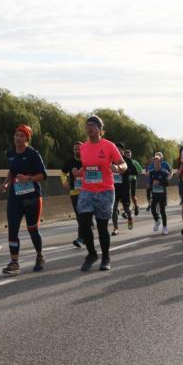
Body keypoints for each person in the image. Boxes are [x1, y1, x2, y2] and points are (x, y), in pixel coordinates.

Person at [73, 115, 126, 271]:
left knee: (102, 227)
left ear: (100, 129)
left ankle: (105, 257)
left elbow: (123, 164)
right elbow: (87, 167)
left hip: (105, 191)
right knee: (83, 222)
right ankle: (91, 254)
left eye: (92, 125)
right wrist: (78, 172)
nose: (89, 127)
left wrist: (118, 168)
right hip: (87, 190)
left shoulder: (109, 146)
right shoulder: (83, 148)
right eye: (87, 125)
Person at [0, 124, 47, 274]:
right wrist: (6, 184)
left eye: (22, 136)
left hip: (32, 198)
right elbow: (12, 172)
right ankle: (14, 263)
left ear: (27, 139)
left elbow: (43, 175)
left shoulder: (33, 154)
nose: (18, 138)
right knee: (12, 229)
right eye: (17, 135)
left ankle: (39, 256)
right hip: (15, 197)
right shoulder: (10, 154)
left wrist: (28, 178)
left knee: (32, 229)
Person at [60, 141, 85, 247]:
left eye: (79, 149)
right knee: (79, 215)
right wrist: (64, 182)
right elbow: (63, 173)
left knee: (84, 215)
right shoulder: (69, 162)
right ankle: (82, 237)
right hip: (74, 192)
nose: (77, 151)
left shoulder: (88, 160)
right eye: (75, 149)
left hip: (88, 192)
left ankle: (81, 237)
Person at [111, 143, 133, 235]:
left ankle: (129, 217)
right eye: (116, 149)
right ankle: (115, 228)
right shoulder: (111, 159)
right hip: (114, 187)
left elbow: (134, 171)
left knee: (126, 208)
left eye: (120, 149)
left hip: (124, 187)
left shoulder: (127, 160)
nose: (118, 151)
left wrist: (123, 171)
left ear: (123, 151)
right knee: (113, 208)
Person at [147, 152, 172, 234]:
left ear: (160, 163)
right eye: (155, 162)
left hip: (162, 195)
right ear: (153, 163)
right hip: (154, 194)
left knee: (162, 211)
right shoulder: (151, 172)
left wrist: (159, 182)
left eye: (158, 162)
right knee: (153, 210)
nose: (156, 164)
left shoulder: (164, 172)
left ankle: (165, 227)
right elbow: (150, 183)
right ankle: (157, 220)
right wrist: (150, 185)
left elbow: (167, 183)